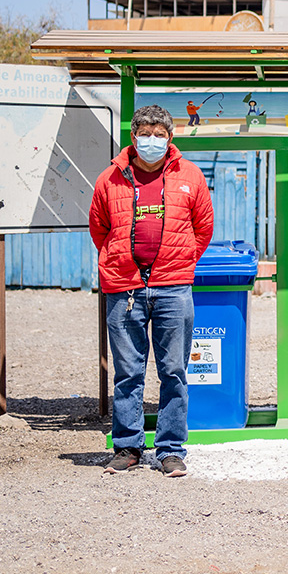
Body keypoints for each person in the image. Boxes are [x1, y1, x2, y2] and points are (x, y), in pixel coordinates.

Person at [90, 104, 213, 478]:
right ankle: (127, 447)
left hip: (173, 287)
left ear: (170, 138)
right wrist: (121, 261)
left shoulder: (190, 175)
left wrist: (180, 261)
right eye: (145, 134)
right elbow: (99, 228)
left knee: (173, 370)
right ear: (133, 136)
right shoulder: (109, 179)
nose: (152, 141)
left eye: (160, 135)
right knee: (128, 372)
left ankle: (171, 449)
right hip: (125, 287)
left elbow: (203, 228)